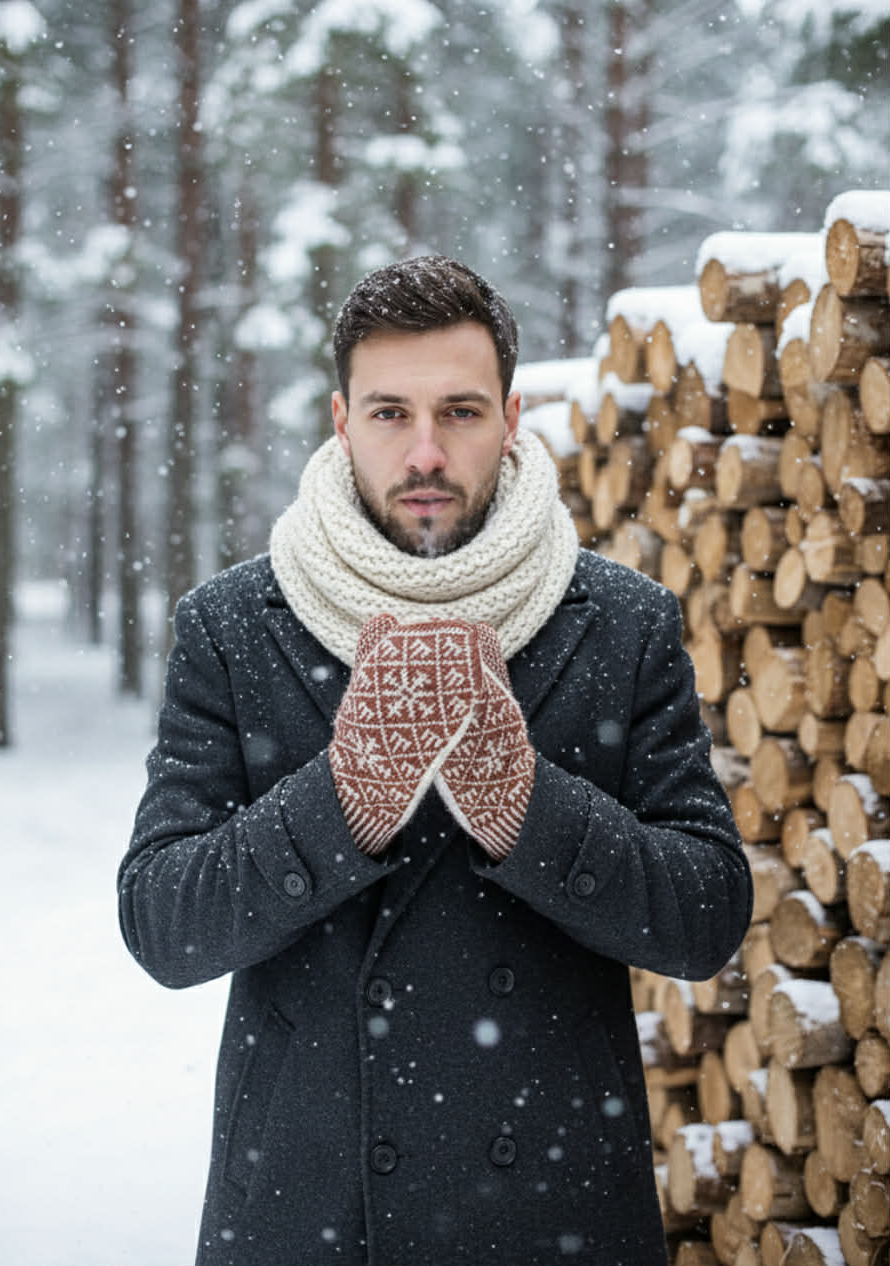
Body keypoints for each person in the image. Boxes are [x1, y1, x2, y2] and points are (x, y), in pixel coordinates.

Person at [118, 255, 752, 1266]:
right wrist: (339, 804)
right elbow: (162, 922)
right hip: (310, 1211)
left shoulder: (621, 625)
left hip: (554, 1212)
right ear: (340, 421)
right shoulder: (234, 627)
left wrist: (528, 809)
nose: (424, 451)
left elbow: (704, 917)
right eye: (388, 414)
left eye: (458, 412)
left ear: (508, 419)